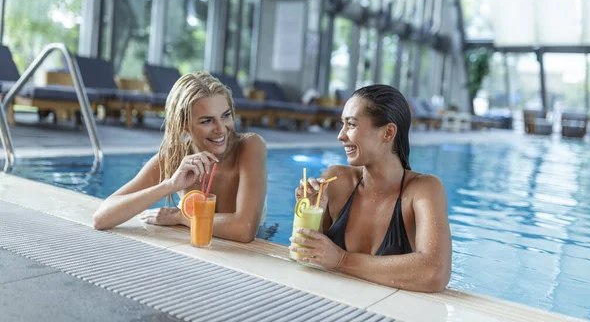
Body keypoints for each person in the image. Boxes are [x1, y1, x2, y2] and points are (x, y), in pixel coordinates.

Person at [289, 84, 452, 292]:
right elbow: (304, 258)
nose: (341, 135)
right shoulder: (334, 181)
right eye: (342, 124)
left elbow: (435, 273)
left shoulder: (423, 190)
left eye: (351, 125)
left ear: (388, 133)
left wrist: (342, 260)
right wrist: (309, 214)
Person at [93, 72, 267, 243]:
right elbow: (101, 218)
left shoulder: (249, 146)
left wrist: (180, 216)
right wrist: (169, 185)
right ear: (183, 124)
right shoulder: (175, 157)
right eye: (207, 121)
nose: (221, 129)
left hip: (259, 240)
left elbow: (244, 229)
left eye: (225, 115)